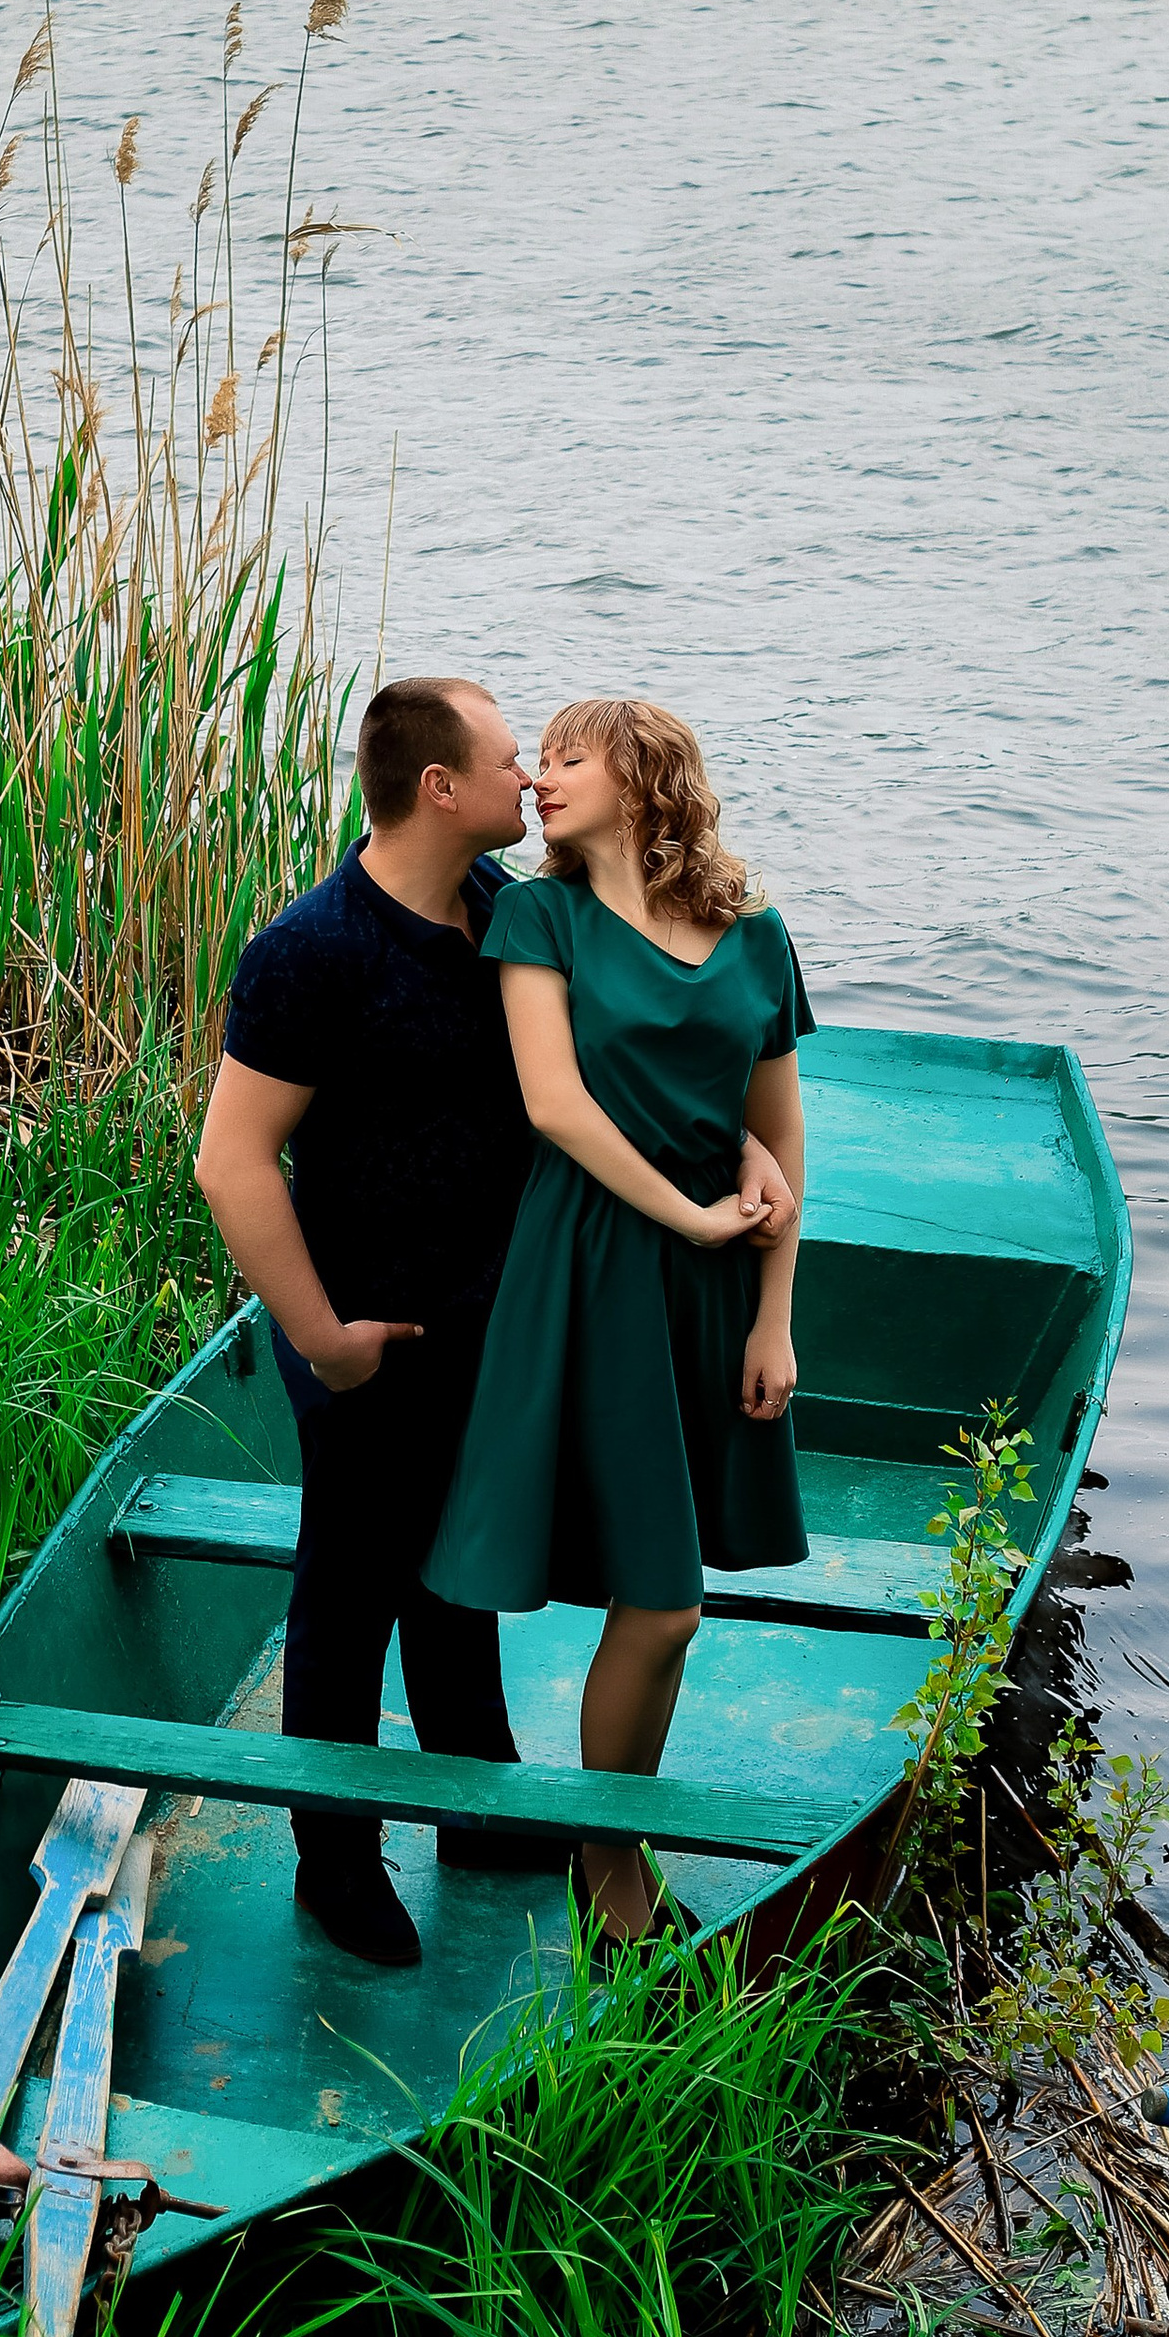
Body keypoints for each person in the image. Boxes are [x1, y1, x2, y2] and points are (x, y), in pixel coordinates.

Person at [196, 675, 795, 1971]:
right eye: (510, 761)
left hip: (502, 1321)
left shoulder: (506, 917)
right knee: (350, 1594)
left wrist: (744, 1157)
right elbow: (232, 1164)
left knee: (459, 1567)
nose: (529, 780)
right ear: (439, 788)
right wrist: (320, 1336)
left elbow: (645, 1054)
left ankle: (475, 1807)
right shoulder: (311, 950)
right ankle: (336, 1863)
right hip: (360, 1327)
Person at [423, 697, 811, 1951]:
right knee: (663, 1603)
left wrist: (772, 1316)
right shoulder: (540, 917)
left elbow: (781, 1134)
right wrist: (689, 1219)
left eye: (567, 758)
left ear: (645, 780)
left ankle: (612, 1839)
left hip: (710, 1279)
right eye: (531, 758)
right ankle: (607, 1855)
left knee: (667, 1601)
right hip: (594, 1262)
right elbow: (554, 1107)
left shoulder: (753, 936)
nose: (535, 777)